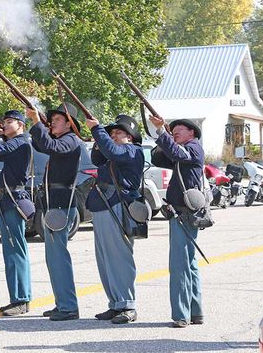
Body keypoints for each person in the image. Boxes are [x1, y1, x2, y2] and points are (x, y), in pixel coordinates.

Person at [85, 114, 144, 324]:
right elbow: (97, 158)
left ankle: (128, 304)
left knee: (119, 257)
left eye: (118, 132)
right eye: (112, 133)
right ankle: (116, 303)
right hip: (104, 204)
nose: (114, 135)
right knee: (105, 258)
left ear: (130, 136)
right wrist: (98, 137)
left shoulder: (131, 150)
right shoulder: (114, 152)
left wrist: (97, 130)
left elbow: (111, 150)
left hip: (119, 205)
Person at [26, 103, 81, 321]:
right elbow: (41, 144)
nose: (52, 123)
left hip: (61, 204)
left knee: (59, 257)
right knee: (53, 258)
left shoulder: (70, 140)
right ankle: (62, 303)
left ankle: (68, 306)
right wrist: (38, 123)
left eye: (57, 120)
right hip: (52, 203)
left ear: (69, 124)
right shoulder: (60, 140)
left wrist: (37, 122)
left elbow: (49, 146)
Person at [149, 115, 204, 328]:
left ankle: (182, 314)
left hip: (183, 213)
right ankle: (195, 311)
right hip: (182, 212)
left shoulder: (193, 147)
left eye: (181, 128)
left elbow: (176, 152)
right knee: (189, 263)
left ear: (192, 133)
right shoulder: (183, 150)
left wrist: (162, 131)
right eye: (175, 129)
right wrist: (160, 134)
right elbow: (159, 159)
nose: (176, 131)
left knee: (180, 265)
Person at [0, 110, 33, 316]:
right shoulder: (15, 143)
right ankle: (19, 297)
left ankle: (21, 299)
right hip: (6, 201)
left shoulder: (19, 142)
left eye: (10, 121)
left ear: (21, 125)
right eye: (4, 122)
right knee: (12, 251)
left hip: (12, 201)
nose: (5, 124)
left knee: (14, 251)